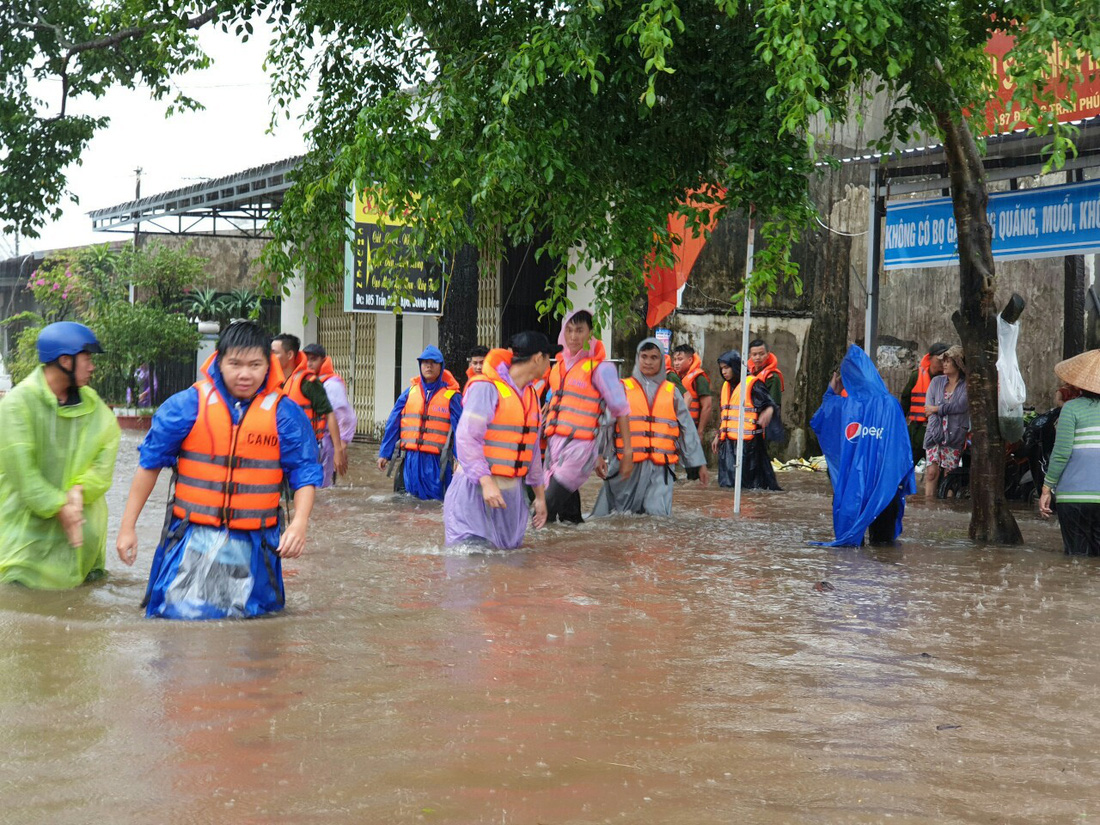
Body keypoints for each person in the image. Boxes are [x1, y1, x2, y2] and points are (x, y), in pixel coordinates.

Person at [115, 321, 322, 619]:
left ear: (268, 366)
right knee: (180, 623)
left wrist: (299, 523)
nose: (244, 374)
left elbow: (305, 472)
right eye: (235, 363)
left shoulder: (285, 414)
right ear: (219, 361)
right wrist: (127, 527)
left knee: (253, 630)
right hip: (192, 535)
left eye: (254, 364)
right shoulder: (188, 406)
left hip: (256, 542)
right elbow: (150, 463)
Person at [0, 322, 120, 589]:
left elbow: (108, 448)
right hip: (26, 546)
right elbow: (25, 477)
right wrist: (61, 506)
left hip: (82, 550)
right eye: (87, 359)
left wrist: (80, 489)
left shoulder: (91, 404)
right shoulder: (17, 405)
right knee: (24, 618)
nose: (92, 367)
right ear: (65, 361)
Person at [443, 332, 554, 549]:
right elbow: (466, 438)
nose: (550, 364)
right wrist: (485, 482)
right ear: (537, 358)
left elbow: (530, 449)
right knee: (471, 562)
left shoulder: (530, 395)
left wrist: (540, 497)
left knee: (507, 565)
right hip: (475, 490)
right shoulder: (485, 388)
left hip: (510, 496)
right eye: (549, 358)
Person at [810, 345, 916, 546]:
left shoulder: (842, 406)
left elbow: (820, 419)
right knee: (884, 547)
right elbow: (901, 446)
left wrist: (832, 390)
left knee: (850, 548)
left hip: (853, 486)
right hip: (884, 486)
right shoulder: (890, 405)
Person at [590, 339, 709, 517]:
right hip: (626, 465)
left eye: (654, 357)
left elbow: (687, 429)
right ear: (638, 359)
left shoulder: (672, 391)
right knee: (618, 515)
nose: (648, 361)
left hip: (660, 469)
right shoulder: (622, 388)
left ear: (662, 361)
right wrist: (598, 455)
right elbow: (606, 423)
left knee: (657, 517)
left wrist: (699, 463)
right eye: (644, 356)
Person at [543, 309, 633, 522]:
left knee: (542, 512)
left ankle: (523, 555)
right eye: (570, 330)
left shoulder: (601, 369)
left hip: (580, 450)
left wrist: (626, 452)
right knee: (568, 520)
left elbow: (621, 410)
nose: (573, 337)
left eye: (580, 330)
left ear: (590, 333)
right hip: (555, 449)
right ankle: (576, 553)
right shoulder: (558, 368)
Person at [377, 345, 463, 501]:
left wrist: (460, 459)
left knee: (435, 503)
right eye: (424, 363)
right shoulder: (410, 392)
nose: (428, 366)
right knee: (409, 503)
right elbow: (394, 422)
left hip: (438, 463)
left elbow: (461, 430)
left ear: (441, 366)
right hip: (411, 460)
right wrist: (385, 453)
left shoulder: (452, 396)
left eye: (433, 362)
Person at [1039, 350, 1100, 554]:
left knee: (1077, 561)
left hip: (1074, 498)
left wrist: (1047, 488)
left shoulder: (1071, 409)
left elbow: (1062, 452)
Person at [272, 333, 348, 478]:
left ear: (289, 355)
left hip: (308, 449)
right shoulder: (280, 383)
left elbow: (329, 413)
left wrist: (338, 450)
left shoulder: (308, 382)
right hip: (287, 448)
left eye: (275, 353)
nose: (271, 357)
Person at [712, 350, 781, 491]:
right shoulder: (726, 386)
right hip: (728, 445)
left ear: (736, 366)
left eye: (727, 367)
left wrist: (768, 411)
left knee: (751, 486)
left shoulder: (753, 384)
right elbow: (727, 416)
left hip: (749, 446)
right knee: (728, 485)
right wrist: (718, 435)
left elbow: (770, 404)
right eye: (722, 369)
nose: (724, 372)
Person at [303, 343, 358, 488]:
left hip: (326, 444)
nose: (309, 363)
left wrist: (341, 446)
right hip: (314, 444)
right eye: (306, 359)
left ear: (323, 360)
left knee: (321, 487)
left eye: (313, 359)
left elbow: (346, 417)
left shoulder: (331, 385)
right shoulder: (310, 382)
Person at [923, 345, 969, 499]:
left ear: (957, 364)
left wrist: (937, 408)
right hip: (934, 434)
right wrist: (936, 413)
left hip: (954, 435)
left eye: (948, 361)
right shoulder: (936, 382)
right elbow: (928, 410)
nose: (944, 364)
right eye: (944, 361)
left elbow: (960, 406)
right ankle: (929, 506)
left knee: (949, 477)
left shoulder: (965, 386)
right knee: (931, 473)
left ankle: (947, 507)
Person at [900, 342, 948, 465]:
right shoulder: (916, 376)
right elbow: (905, 401)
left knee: (936, 471)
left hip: (939, 432)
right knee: (905, 466)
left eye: (946, 359)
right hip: (917, 431)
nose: (943, 363)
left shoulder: (950, 379)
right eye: (940, 359)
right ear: (930, 358)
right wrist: (898, 424)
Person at [747, 338, 785, 444]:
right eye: (754, 354)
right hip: (748, 424)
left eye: (761, 354)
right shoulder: (746, 374)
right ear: (750, 355)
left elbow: (775, 404)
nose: (758, 358)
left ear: (768, 354)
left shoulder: (772, 377)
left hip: (763, 426)